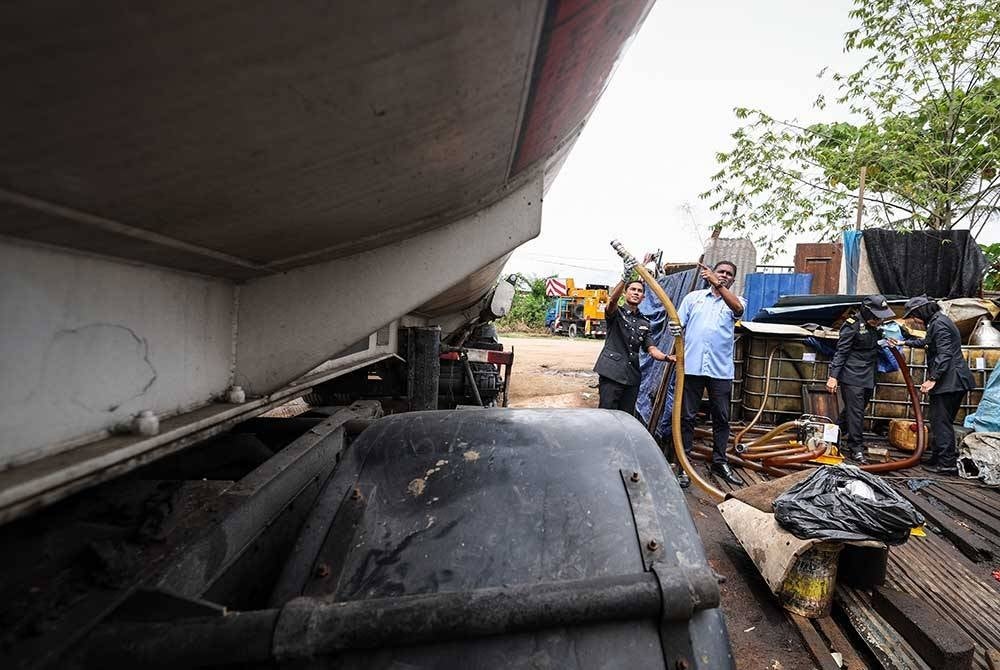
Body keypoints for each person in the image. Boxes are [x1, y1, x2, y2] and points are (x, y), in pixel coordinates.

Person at [669, 261, 747, 486]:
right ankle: (684, 463)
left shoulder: (736, 301)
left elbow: (738, 311)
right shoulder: (693, 298)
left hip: (720, 370)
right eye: (720, 272)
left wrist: (718, 285)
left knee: (721, 418)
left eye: (728, 274)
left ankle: (719, 462)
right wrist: (674, 328)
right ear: (712, 272)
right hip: (691, 367)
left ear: (733, 279)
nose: (724, 275)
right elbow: (677, 324)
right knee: (687, 417)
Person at [889, 296, 974, 474]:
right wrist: (903, 342)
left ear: (922, 311)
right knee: (939, 421)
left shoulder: (940, 324)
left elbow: (945, 354)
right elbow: (927, 342)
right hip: (951, 380)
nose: (914, 320)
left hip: (951, 380)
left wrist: (932, 379)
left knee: (941, 421)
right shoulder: (937, 322)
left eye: (914, 316)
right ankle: (938, 457)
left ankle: (947, 463)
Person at [826, 295, 895, 464]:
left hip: (868, 374)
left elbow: (872, 344)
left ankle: (830, 437)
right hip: (852, 374)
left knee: (854, 410)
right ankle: (856, 447)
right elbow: (841, 352)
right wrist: (833, 377)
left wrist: (885, 342)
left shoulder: (875, 326)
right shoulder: (851, 325)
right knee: (856, 413)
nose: (878, 320)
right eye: (876, 317)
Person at [593, 268, 671, 416]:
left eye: (640, 291)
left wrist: (667, 357)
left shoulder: (645, 322)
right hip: (611, 374)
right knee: (606, 415)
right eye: (633, 289)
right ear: (625, 292)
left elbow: (652, 349)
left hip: (631, 377)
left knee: (626, 417)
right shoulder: (616, 313)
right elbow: (612, 301)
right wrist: (624, 278)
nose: (636, 292)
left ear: (643, 297)